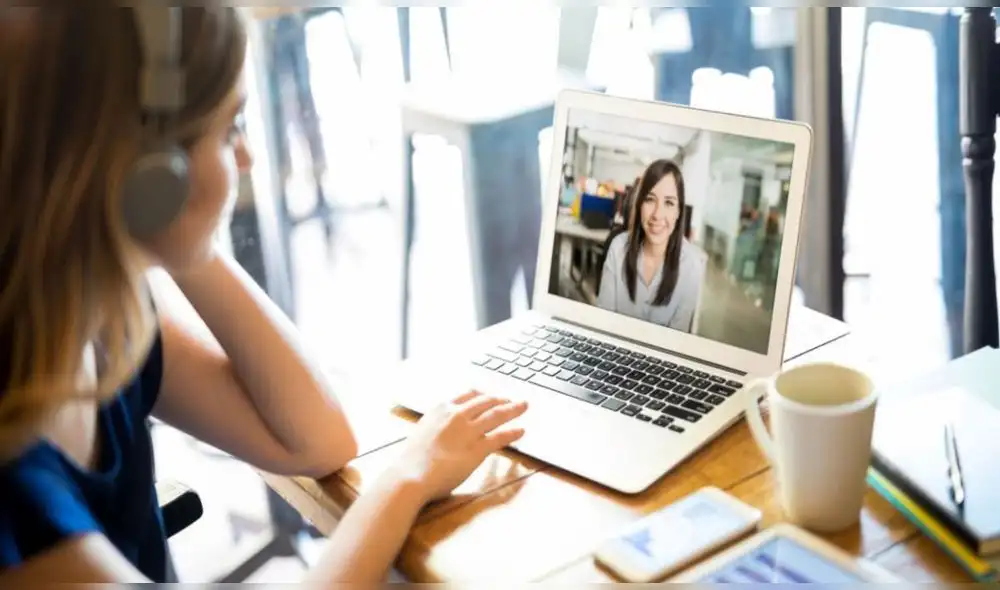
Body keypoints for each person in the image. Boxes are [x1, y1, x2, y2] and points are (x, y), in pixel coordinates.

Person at [0, 5, 527, 585]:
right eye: (229, 132)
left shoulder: (105, 317)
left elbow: (315, 439)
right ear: (147, 169)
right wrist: (410, 474)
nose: (247, 159)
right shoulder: (16, 485)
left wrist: (176, 228)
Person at [596, 159, 707, 332]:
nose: (657, 214)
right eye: (650, 199)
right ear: (639, 204)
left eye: (669, 203)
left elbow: (676, 341)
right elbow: (602, 322)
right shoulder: (619, 248)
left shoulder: (691, 266)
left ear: (678, 211)